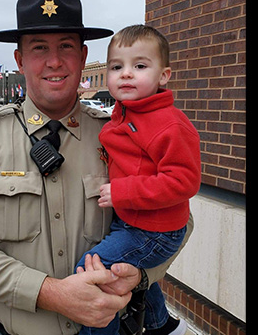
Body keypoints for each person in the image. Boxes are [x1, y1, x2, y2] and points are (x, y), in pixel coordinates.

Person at [0, 0, 194, 335]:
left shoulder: (120, 135)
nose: (54, 61)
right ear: (20, 60)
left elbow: (177, 218)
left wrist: (143, 274)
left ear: (83, 57)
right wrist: (50, 293)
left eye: (66, 47)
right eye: (39, 48)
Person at [75, 25, 201, 335]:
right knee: (133, 274)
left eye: (140, 66)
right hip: (134, 221)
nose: (126, 74)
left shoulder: (170, 124)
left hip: (154, 230)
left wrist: (123, 192)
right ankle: (163, 326)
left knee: (92, 271)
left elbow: (184, 181)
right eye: (117, 67)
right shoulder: (125, 113)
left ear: (164, 75)